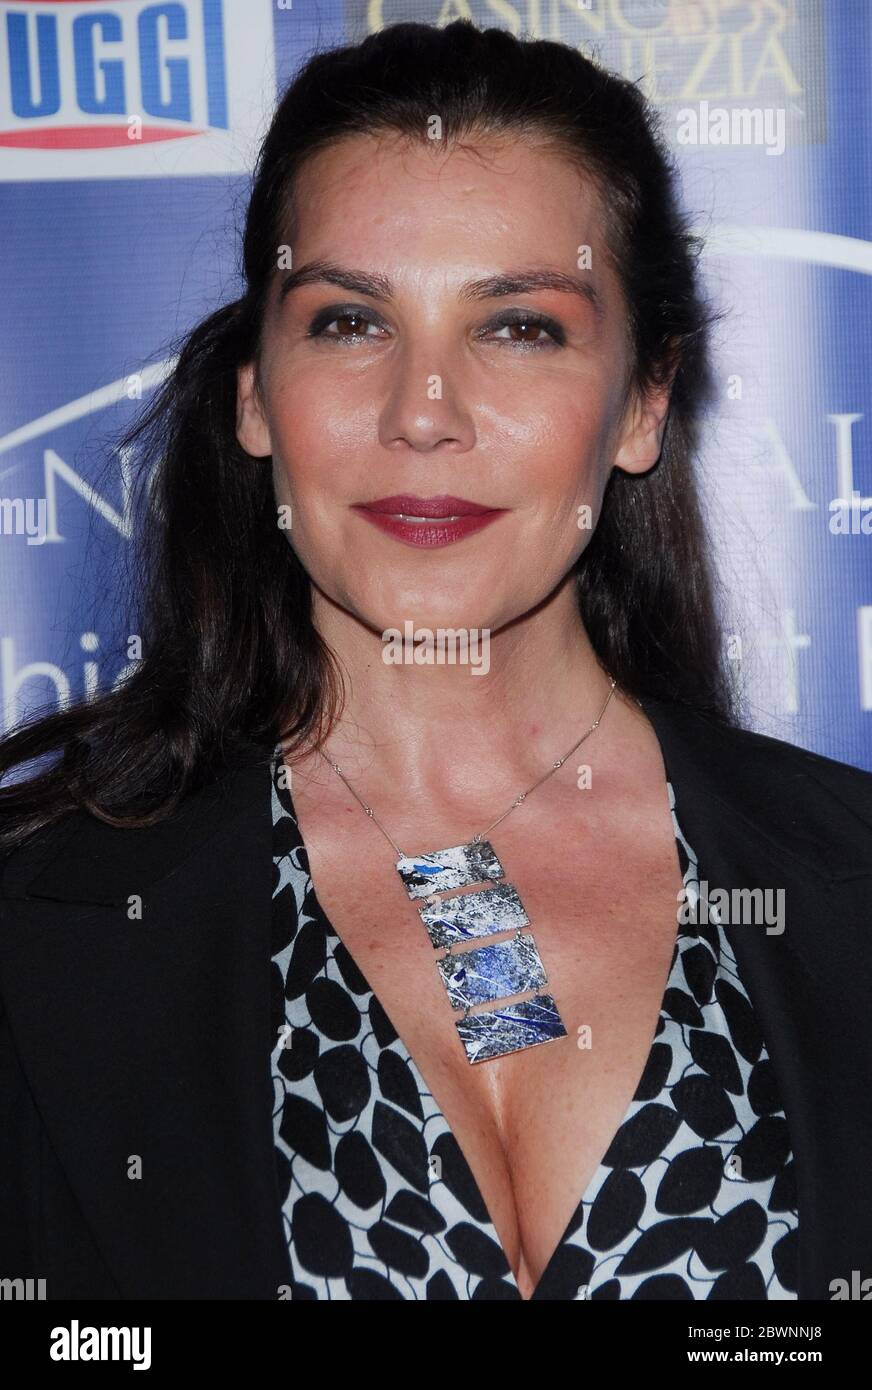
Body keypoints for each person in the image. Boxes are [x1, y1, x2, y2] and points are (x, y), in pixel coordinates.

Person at [1, 18, 871, 1303]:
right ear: (254, 393)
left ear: (641, 403)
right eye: (350, 320)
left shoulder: (846, 876)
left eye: (517, 327)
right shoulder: (43, 921)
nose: (422, 412)